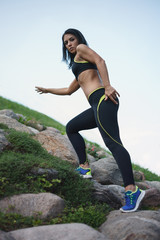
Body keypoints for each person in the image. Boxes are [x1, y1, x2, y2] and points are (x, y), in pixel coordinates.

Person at [35, 28, 145, 212]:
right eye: (66, 42)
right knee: (72, 127)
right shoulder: (77, 66)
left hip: (103, 99)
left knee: (113, 143)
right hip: (96, 105)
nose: (69, 44)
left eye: (72, 39)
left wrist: (108, 86)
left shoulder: (82, 49)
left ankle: (132, 190)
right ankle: (84, 167)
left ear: (79, 39)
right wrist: (47, 89)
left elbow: (100, 60)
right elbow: (69, 90)